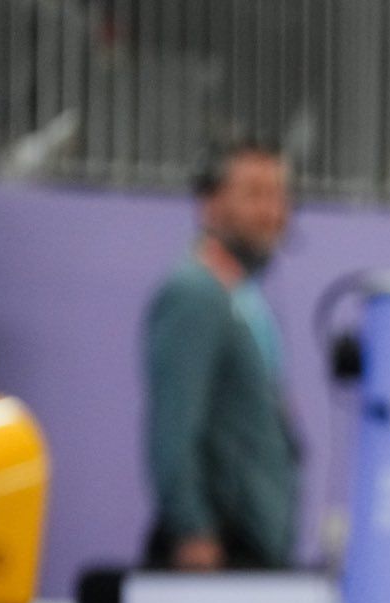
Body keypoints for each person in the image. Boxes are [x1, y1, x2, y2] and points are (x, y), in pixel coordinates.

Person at [141, 138, 299, 571]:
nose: (272, 212)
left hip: (254, 545)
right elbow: (173, 426)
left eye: (279, 195)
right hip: (217, 551)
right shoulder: (195, 294)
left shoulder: (243, 298)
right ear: (209, 204)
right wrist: (193, 528)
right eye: (254, 195)